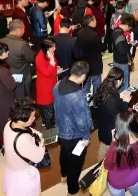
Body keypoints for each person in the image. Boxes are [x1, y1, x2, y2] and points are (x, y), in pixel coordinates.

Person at [54, 61, 92, 195]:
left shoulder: (58, 84)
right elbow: (82, 122)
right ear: (83, 76)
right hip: (75, 135)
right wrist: (86, 137)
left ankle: (63, 175)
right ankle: (72, 190)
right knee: (76, 163)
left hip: (61, 129)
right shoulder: (78, 96)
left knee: (64, 154)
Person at [3, 98, 46, 196]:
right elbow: (38, 157)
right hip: (23, 176)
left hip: (11, 169)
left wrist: (38, 134)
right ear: (22, 118)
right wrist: (43, 142)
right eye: (32, 117)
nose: (34, 118)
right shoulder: (22, 139)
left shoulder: (10, 123)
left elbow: (28, 129)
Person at [103, 111, 138, 196]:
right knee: (136, 190)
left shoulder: (115, 147)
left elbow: (107, 165)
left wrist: (113, 143)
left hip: (119, 180)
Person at [94, 68, 131, 160]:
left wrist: (118, 97)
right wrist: (126, 102)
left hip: (103, 124)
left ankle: (101, 163)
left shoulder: (103, 87)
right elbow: (118, 116)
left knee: (104, 146)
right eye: (122, 81)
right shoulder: (111, 99)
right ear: (118, 80)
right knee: (109, 149)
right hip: (110, 129)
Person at [0, 20, 36, 98]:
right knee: (23, 101)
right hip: (22, 79)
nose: (24, 31)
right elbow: (32, 58)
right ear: (18, 30)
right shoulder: (22, 44)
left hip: (7, 78)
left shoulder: (0, 42)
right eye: (23, 29)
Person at [76, 15, 105, 94]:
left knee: (86, 83)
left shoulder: (80, 32)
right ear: (91, 22)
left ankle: (86, 98)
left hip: (84, 63)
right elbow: (101, 47)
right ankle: (96, 100)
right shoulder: (93, 34)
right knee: (97, 85)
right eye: (95, 20)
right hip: (95, 64)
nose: (96, 21)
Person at [35, 37, 58, 129]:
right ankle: (49, 129)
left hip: (51, 84)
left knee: (51, 110)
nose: (55, 48)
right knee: (48, 110)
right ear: (47, 48)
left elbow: (52, 68)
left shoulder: (49, 53)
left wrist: (55, 67)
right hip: (45, 88)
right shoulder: (39, 58)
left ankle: (49, 124)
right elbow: (47, 73)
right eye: (53, 47)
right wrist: (52, 61)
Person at [110, 14, 134, 92]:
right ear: (127, 26)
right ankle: (123, 92)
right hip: (122, 61)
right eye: (129, 28)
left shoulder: (116, 29)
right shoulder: (120, 35)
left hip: (116, 58)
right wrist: (130, 45)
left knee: (117, 77)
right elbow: (122, 51)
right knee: (124, 78)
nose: (129, 29)